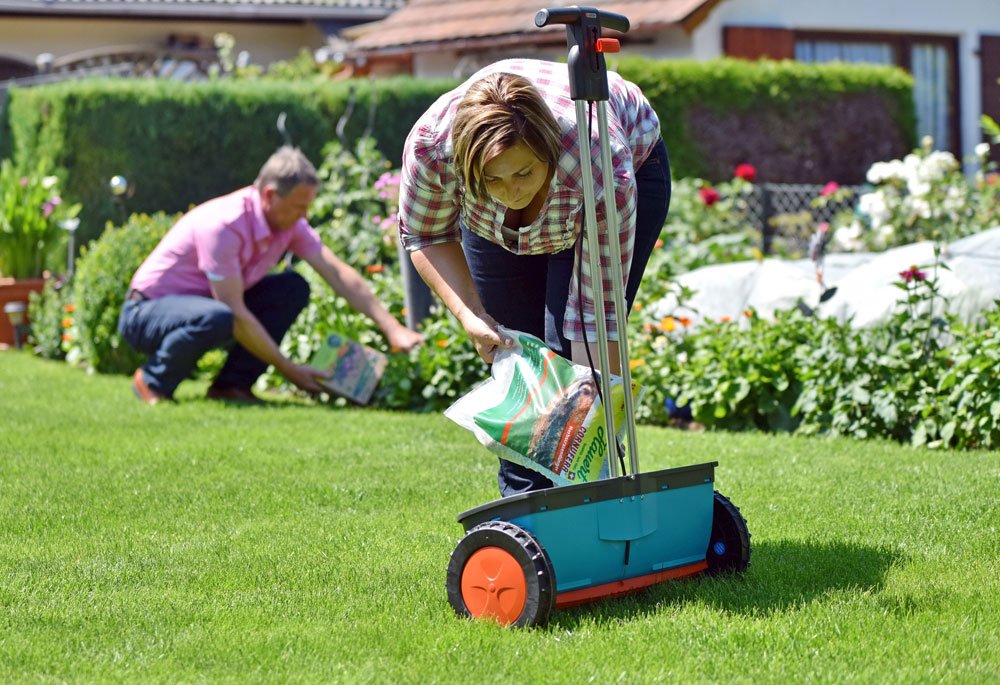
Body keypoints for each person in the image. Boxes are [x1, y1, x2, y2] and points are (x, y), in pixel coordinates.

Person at [398, 59, 671, 496]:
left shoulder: (598, 162)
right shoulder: (432, 150)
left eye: (523, 173)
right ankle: (524, 506)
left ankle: (585, 499)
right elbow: (424, 232)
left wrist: (594, 416)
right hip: (490, 225)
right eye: (494, 179)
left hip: (611, 178)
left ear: (546, 151)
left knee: (566, 358)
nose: (512, 191)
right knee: (517, 355)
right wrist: (470, 315)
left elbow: (594, 316)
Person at [120, 145, 423, 405]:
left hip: (205, 307)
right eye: (298, 206)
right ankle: (152, 381)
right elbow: (235, 312)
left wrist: (393, 328)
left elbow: (336, 272)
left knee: (292, 288)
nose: (304, 215)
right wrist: (290, 370)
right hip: (145, 312)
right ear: (269, 195)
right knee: (219, 316)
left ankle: (231, 386)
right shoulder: (224, 225)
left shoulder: (288, 224)